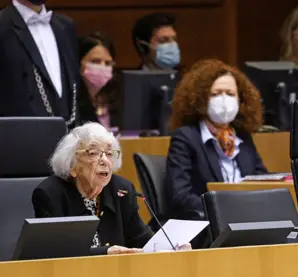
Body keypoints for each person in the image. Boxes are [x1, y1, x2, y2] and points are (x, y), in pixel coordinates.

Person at [32, 122, 191, 255]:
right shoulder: (50, 194)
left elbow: (142, 240)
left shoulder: (121, 190)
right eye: (93, 153)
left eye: (109, 153)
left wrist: (170, 248)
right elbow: (54, 254)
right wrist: (105, 252)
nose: (104, 161)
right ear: (72, 165)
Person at [165, 59, 267, 222]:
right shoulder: (186, 138)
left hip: (247, 219)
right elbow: (180, 196)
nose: (224, 100)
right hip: (208, 223)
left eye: (230, 94)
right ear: (200, 99)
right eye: (216, 93)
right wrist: (223, 209)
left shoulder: (243, 137)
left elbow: (262, 181)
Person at [0, 0, 79, 129]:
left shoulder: (66, 26)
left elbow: (74, 89)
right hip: (18, 139)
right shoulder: (3, 27)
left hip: (69, 137)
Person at [78, 32, 121, 130]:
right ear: (78, 63)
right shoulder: (70, 104)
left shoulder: (119, 100)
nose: (102, 67)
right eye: (95, 62)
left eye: (108, 63)